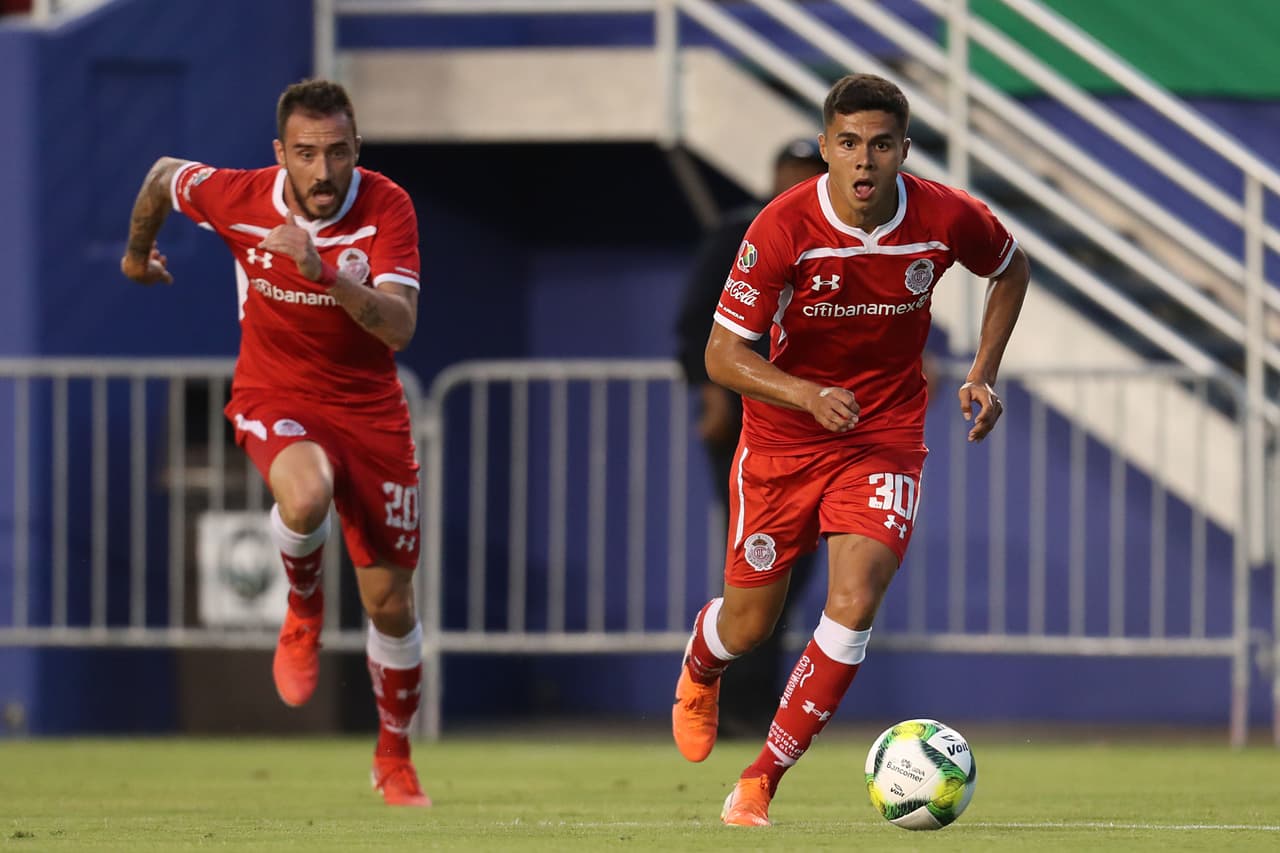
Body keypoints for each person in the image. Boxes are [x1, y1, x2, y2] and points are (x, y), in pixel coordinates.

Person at [671, 73, 1030, 827]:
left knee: (853, 602)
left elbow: (1010, 266)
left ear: (904, 150)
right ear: (829, 147)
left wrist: (983, 373)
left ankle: (761, 778)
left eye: (881, 145)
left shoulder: (944, 216)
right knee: (748, 624)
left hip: (883, 434)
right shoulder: (780, 226)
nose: (864, 162)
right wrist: (804, 393)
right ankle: (703, 661)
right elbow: (720, 354)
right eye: (849, 144)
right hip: (782, 439)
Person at [120, 79, 430, 807]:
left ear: (358, 149)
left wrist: (324, 274)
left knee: (390, 603)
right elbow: (165, 175)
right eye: (306, 154)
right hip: (277, 394)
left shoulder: (388, 207)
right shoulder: (240, 196)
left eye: (337, 153)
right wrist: (138, 253)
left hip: (371, 411)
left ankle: (394, 755)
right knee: (307, 491)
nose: (323, 173)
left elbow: (400, 326)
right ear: (279, 154)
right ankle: (303, 613)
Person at [674, 139, 828, 736]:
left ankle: (759, 702)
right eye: (787, 172)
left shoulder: (838, 235)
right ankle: (724, 689)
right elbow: (698, 323)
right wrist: (711, 393)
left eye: (805, 174)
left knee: (805, 569)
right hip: (750, 418)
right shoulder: (744, 232)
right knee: (755, 569)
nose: (795, 182)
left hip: (822, 424)